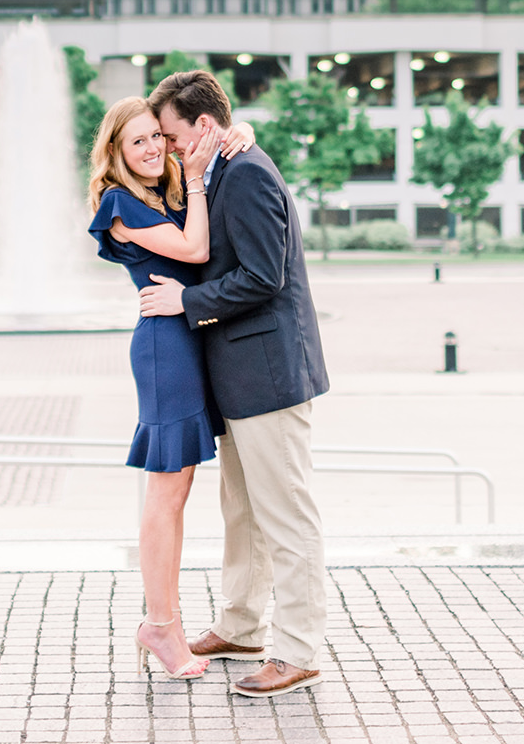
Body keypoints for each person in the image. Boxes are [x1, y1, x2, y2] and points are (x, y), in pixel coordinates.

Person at [138, 69, 330, 698]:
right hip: (242, 375)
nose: (165, 148)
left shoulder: (245, 172)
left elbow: (264, 277)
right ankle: (242, 626)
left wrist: (186, 302)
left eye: (169, 135)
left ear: (204, 125)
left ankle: (298, 650)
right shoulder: (221, 166)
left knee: (286, 514)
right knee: (242, 511)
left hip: (268, 372)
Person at [86, 96, 255, 682]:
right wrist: (200, 183)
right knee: (167, 496)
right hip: (165, 350)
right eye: (138, 142)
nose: (154, 148)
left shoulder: (164, 192)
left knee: (178, 495)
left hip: (187, 343)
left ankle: (164, 623)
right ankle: (161, 625)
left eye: (157, 136)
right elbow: (196, 251)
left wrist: (240, 132)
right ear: (116, 153)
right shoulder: (120, 203)